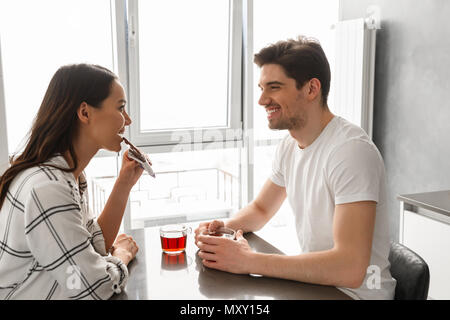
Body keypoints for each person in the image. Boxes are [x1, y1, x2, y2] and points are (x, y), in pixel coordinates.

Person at [195, 36, 396, 300]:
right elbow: (261, 209)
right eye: (261, 88)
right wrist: (223, 231)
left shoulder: (351, 151)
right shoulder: (290, 145)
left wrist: (247, 261)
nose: (262, 100)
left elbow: (350, 268)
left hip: (355, 294)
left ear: (312, 89)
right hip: (318, 288)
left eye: (274, 87)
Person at [0, 64, 142, 299]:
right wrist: (121, 256)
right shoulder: (48, 189)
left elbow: (92, 247)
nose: (128, 120)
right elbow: (93, 288)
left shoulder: (67, 176)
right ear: (85, 113)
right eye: (121, 108)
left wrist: (124, 182)